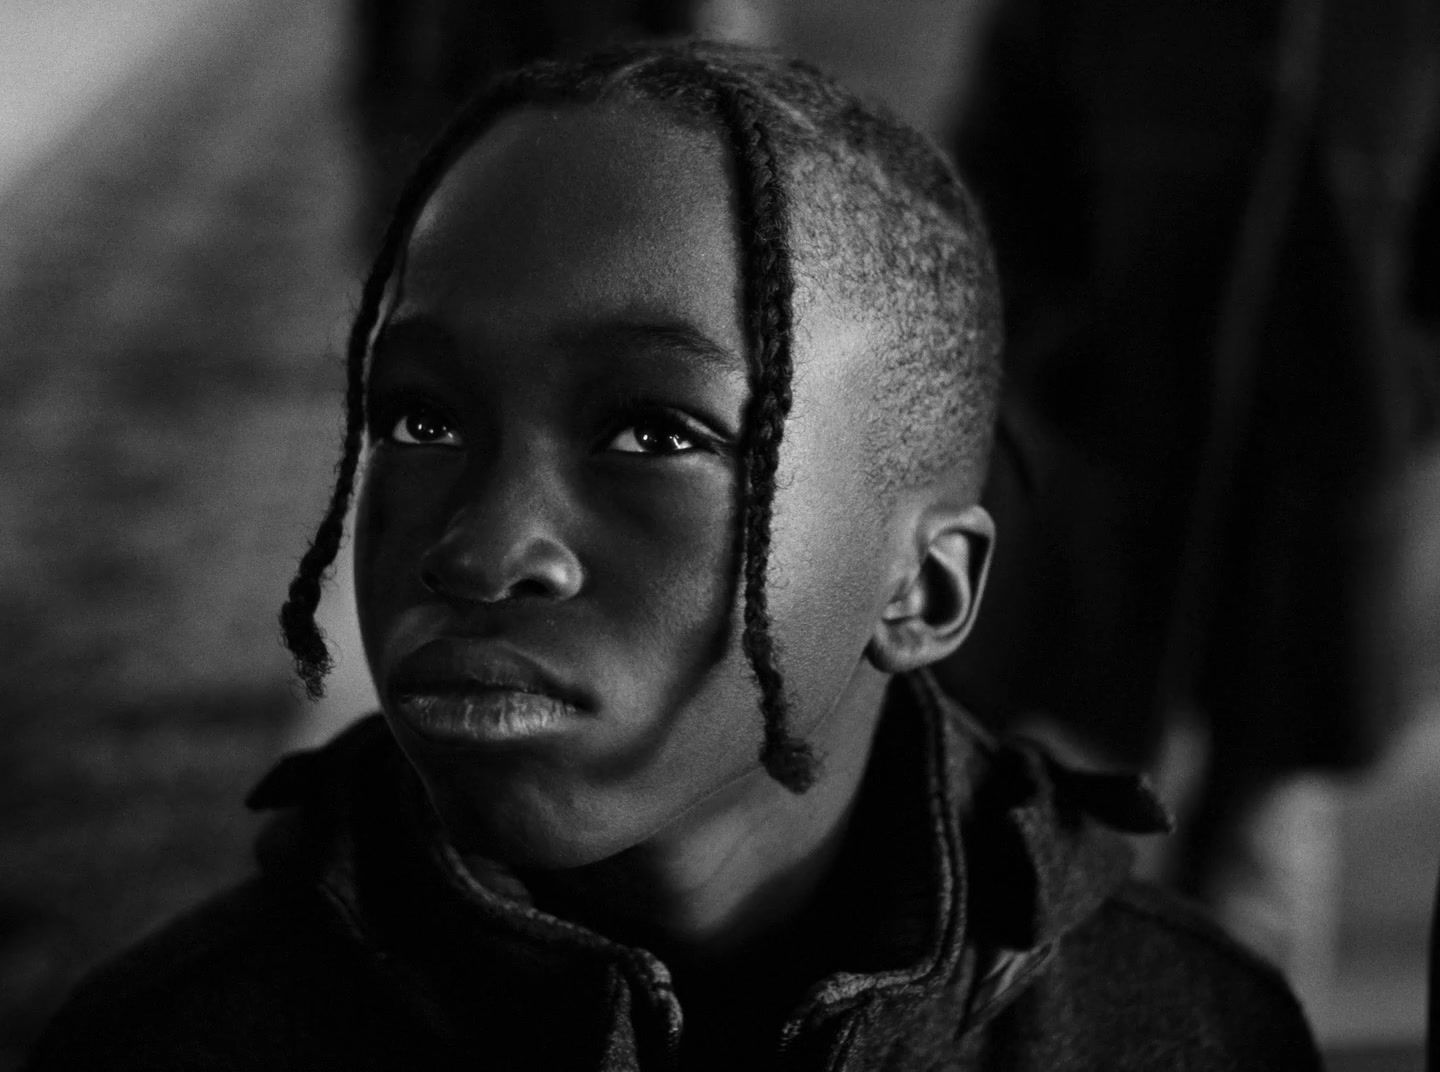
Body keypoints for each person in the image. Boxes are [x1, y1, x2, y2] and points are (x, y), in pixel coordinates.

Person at [25, 41, 1321, 1070]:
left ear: (920, 589)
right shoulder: (170, 1044)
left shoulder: (1186, 1031)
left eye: (652, 430)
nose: (482, 551)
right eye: (418, 417)